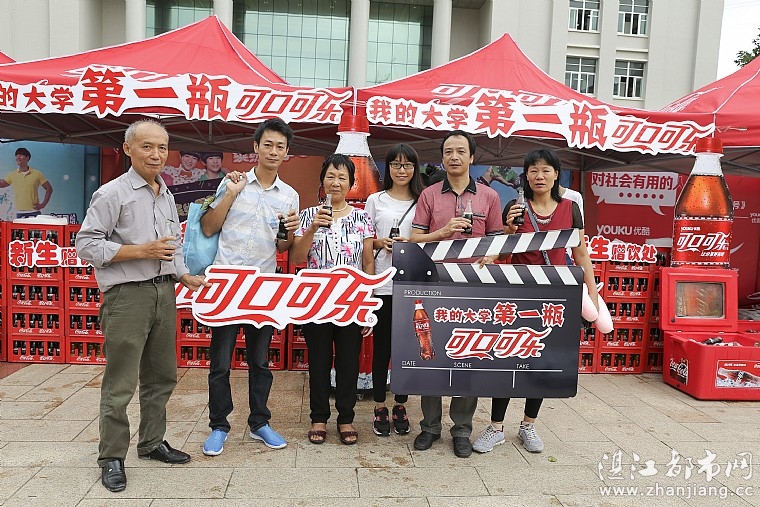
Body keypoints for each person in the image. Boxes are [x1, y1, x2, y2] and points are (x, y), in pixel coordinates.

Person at [75, 119, 210, 493]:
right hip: (127, 296)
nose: (156, 154)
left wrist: (184, 275)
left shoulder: (165, 194)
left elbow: (172, 243)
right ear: (128, 149)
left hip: (164, 294)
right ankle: (112, 457)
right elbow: (86, 245)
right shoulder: (111, 194)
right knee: (120, 383)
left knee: (162, 376)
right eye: (147, 146)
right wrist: (140, 251)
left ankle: (151, 442)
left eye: (162, 147)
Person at [471, 148, 599, 455]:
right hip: (518, 294)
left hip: (556, 296)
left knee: (542, 360)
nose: (539, 176)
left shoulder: (571, 208)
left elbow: (580, 254)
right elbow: (505, 250)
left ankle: (528, 424)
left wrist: (592, 295)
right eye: (533, 170)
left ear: (556, 175)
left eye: (545, 170)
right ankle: (496, 427)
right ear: (526, 176)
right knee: (507, 358)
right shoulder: (516, 207)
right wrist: (505, 234)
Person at [199, 118, 300, 456]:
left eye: (280, 146)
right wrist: (230, 194)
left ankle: (259, 422)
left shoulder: (289, 195)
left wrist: (289, 230)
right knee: (220, 362)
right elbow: (209, 227)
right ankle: (219, 425)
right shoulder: (233, 182)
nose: (273, 151)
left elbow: (283, 247)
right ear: (256, 147)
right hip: (226, 285)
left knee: (260, 361)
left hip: (262, 286)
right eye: (267, 144)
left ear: (287, 152)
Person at [409, 130, 504, 458]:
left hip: (474, 289)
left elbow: (496, 239)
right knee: (431, 354)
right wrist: (443, 232)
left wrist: (491, 256)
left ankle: (462, 429)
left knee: (469, 355)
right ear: (442, 157)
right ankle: (430, 426)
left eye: (461, 151)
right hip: (435, 286)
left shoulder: (489, 196)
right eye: (448, 151)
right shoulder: (430, 194)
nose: (454, 156)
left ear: (472, 157)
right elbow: (415, 239)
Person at [291, 153, 375, 446]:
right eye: (331, 176)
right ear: (322, 180)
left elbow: (367, 261)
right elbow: (296, 257)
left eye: (342, 177)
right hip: (316, 301)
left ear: (351, 183)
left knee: (349, 361)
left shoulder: (362, 218)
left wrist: (367, 302)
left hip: (350, 301)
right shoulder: (307, 215)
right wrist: (313, 228)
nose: (336, 182)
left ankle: (346, 418)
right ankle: (318, 417)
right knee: (318, 360)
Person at [364, 144, 425, 436]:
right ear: (387, 168)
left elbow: (428, 238)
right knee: (382, 347)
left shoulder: (423, 200)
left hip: (412, 284)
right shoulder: (375, 200)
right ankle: (379, 405)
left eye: (407, 165)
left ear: (415, 168)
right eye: (396, 164)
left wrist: (408, 244)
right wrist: (381, 243)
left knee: (406, 348)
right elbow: (365, 240)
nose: (402, 170)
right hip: (383, 282)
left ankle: (401, 403)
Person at [0, 147, 54, 218]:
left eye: (20, 155)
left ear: (27, 158)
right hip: (19, 213)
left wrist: (43, 204)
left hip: (34, 212)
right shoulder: (12, 174)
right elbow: (1, 184)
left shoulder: (37, 173)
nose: (18, 157)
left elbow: (49, 189)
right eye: (16, 155)